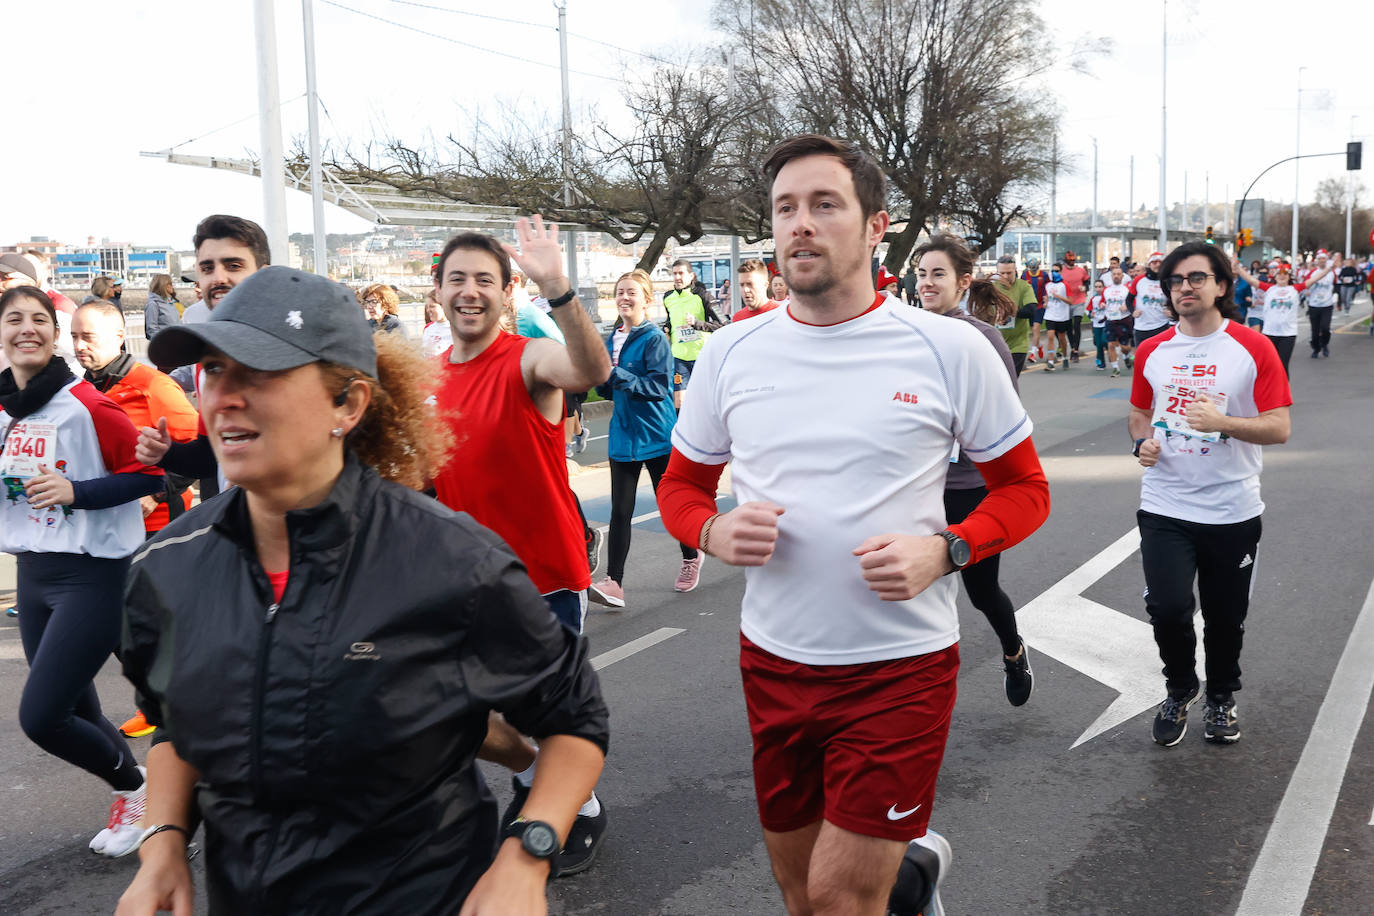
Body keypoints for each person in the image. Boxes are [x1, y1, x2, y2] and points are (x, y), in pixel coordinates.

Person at [116, 266, 607, 914]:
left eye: (258, 374)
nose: (224, 398)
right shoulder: (164, 569)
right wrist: (165, 845)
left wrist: (526, 854)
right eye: (214, 370)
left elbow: (575, 721)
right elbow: (178, 724)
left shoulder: (454, 564)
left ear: (348, 404)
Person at [656, 134, 1050, 916]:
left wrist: (946, 550)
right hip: (774, 660)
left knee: (839, 902)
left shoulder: (948, 348)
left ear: (877, 227)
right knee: (803, 897)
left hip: (898, 666)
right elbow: (683, 485)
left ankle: (890, 873)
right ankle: (912, 873)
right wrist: (710, 532)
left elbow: (1026, 489)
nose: (800, 224)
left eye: (824, 205)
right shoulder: (733, 350)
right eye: (786, 209)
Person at [428, 217, 613, 877]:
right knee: (461, 711)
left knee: (550, 708)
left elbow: (593, 367)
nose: (470, 291)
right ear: (438, 290)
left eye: (485, 279)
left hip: (542, 575)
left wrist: (559, 289)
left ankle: (579, 806)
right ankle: (540, 776)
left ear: (507, 292)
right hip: (461, 587)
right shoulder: (425, 379)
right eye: (458, 279)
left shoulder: (528, 360)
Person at [0, 286, 166, 859]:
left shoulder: (88, 405)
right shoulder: (3, 411)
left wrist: (80, 492)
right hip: (34, 573)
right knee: (75, 706)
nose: (28, 328)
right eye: (14, 319)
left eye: (40, 320)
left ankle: (136, 790)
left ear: (54, 332)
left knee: (42, 717)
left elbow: (152, 477)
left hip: (92, 574)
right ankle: (139, 798)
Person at [1128, 241, 1291, 747]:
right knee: (1169, 608)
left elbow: (1280, 426)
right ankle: (1180, 688)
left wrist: (1223, 423)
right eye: (1176, 281)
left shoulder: (1252, 347)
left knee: (1225, 619)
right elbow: (1138, 413)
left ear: (1221, 285)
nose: (1184, 288)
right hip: (1165, 504)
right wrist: (1142, 443)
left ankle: (1221, 697)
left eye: (1196, 278)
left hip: (1231, 509)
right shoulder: (1152, 351)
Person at [69, 300, 201, 740]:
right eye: (73, 337)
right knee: (114, 626)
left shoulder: (154, 386)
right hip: (104, 526)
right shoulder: (76, 392)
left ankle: (176, 705)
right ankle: (156, 696)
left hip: (159, 526)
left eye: (88, 337)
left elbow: (193, 453)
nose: (79, 346)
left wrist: (154, 491)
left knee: (153, 623)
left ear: (119, 337)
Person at [915, 239, 1034, 706]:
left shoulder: (983, 339)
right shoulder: (908, 332)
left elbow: (1006, 417)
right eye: (921, 273)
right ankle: (916, 688)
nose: (926, 282)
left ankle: (1013, 650)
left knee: (981, 592)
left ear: (963, 282)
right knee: (913, 588)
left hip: (968, 487)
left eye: (938, 274)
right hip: (917, 487)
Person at [588, 269, 702, 608]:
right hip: (623, 436)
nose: (624, 297)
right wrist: (601, 379)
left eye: (631, 292)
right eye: (619, 292)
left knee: (670, 507)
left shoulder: (653, 338)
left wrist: (616, 374)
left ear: (647, 300)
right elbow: (605, 385)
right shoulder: (612, 337)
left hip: (656, 435)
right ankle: (614, 583)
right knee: (620, 511)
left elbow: (656, 388)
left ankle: (690, 555)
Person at [137, 214, 271, 501]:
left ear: (264, 274)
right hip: (236, 521)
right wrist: (167, 453)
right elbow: (211, 454)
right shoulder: (208, 353)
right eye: (207, 268)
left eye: (233, 265)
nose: (219, 278)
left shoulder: (296, 348)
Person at [1233, 259, 1333, 376]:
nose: (1282, 276)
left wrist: (1328, 269)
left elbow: (1314, 279)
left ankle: (1283, 392)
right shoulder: (1269, 288)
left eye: (1284, 274)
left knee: (1282, 365)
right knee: (1270, 365)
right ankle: (1272, 391)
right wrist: (1238, 268)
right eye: (1279, 274)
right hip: (1270, 332)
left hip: (1288, 334)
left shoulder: (1295, 289)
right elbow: (1250, 279)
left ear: (1288, 276)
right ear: (1275, 277)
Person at [662, 259, 725, 409]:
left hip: (701, 357)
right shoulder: (668, 298)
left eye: (681, 273)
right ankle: (683, 432)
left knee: (704, 401)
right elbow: (671, 319)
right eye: (674, 273)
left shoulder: (703, 296)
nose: (677, 277)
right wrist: (666, 327)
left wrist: (697, 323)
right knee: (679, 401)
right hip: (679, 358)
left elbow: (723, 325)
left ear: (691, 276)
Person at [992, 255, 1037, 375]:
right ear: (997, 272)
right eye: (1002, 273)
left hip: (1017, 345)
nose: (1006, 276)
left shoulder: (1024, 287)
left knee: (1009, 381)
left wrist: (1010, 310)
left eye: (1009, 273)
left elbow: (1031, 310)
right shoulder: (990, 288)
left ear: (1015, 270)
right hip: (995, 343)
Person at [1129, 252, 1172, 346]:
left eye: (1161, 262)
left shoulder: (1167, 281)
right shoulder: (1139, 280)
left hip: (1161, 325)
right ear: (1149, 264)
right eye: (1154, 262)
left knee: (1160, 357)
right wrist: (1133, 311)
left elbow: (1173, 299)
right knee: (1142, 357)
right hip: (1141, 327)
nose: (1158, 265)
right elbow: (1129, 299)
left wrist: (1171, 310)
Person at [1302, 249, 1337, 357]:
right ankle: (1316, 348)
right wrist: (1305, 293)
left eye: (1324, 259)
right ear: (1317, 261)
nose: (1322, 261)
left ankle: (1325, 344)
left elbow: (1336, 285)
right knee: (1315, 331)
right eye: (1320, 259)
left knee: (1326, 328)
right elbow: (1304, 286)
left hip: (1327, 305)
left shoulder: (1331, 273)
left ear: (1326, 260)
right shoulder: (1312, 273)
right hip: (1314, 305)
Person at [1020, 256, 1052, 363]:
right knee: (1033, 330)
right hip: (1029, 305)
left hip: (1040, 306)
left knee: (1036, 328)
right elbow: (1021, 289)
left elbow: (1049, 288)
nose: (1033, 269)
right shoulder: (1024, 275)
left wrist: (1047, 299)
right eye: (1031, 267)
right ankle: (1039, 345)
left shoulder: (1044, 275)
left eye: (1035, 267)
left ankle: (1033, 353)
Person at [1059, 250, 1089, 360]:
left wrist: (1085, 288)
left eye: (1073, 260)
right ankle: (1072, 347)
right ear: (1066, 260)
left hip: (1079, 300)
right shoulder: (1062, 271)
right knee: (1068, 327)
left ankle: (1076, 350)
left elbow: (1087, 282)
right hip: (1067, 302)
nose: (1072, 262)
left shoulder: (1081, 271)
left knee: (1077, 324)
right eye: (1069, 260)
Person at [1041, 269, 1072, 371]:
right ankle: (1050, 361)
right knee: (1050, 336)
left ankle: (1065, 357)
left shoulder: (1065, 285)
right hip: (1050, 314)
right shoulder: (1047, 286)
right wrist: (1045, 304)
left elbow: (1070, 301)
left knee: (1061, 338)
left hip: (1062, 316)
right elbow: (1045, 299)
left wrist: (1058, 296)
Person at [143, 274, 181, 341]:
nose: (172, 286)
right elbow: (152, 329)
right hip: (165, 345)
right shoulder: (153, 304)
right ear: (163, 286)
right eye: (170, 284)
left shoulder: (171, 303)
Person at [420, 288, 451, 357]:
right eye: (427, 307)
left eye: (432, 306)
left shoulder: (455, 330)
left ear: (444, 306)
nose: (428, 310)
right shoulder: (428, 328)